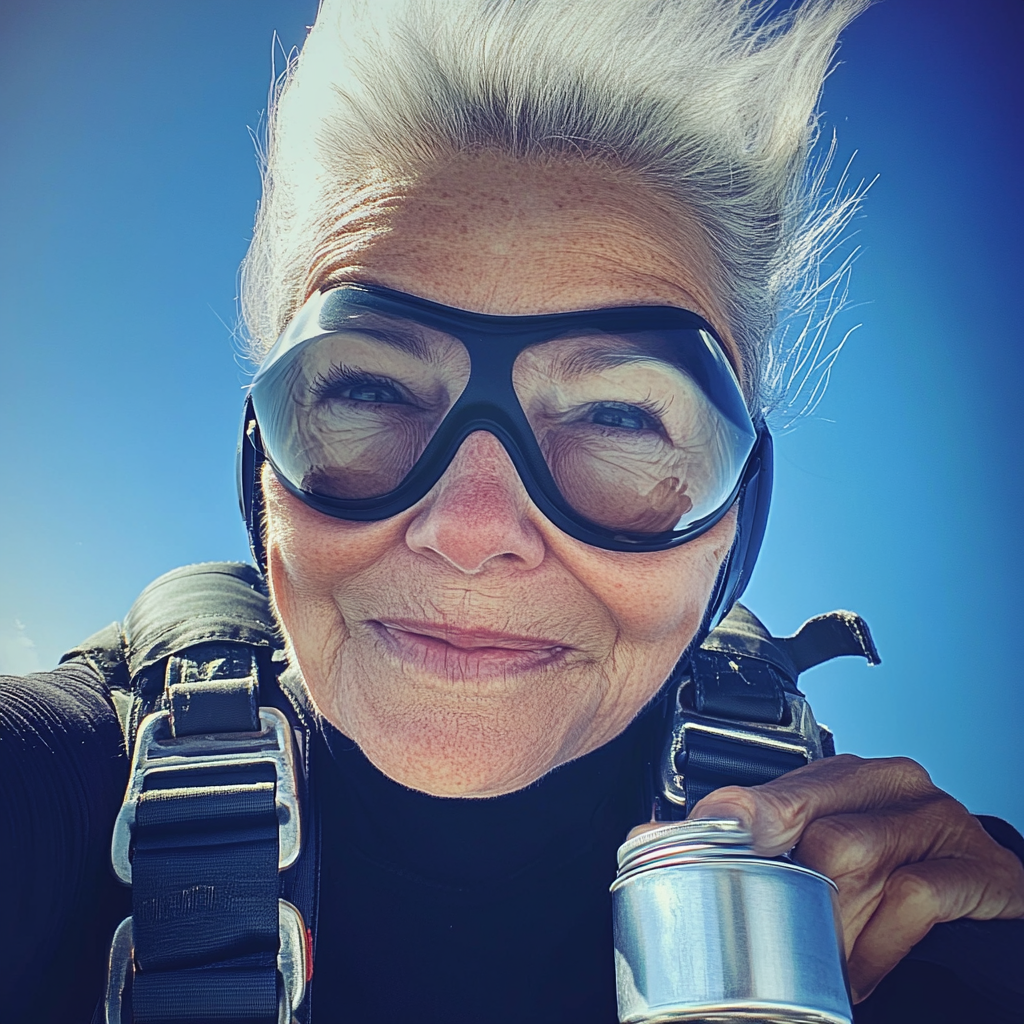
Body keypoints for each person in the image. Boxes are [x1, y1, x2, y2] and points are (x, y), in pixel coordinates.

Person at [2, 1, 1022, 1022]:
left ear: (734, 528)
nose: (472, 523)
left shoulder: (900, 913)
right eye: (367, 390)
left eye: (619, 413)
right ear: (260, 470)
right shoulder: (68, 788)